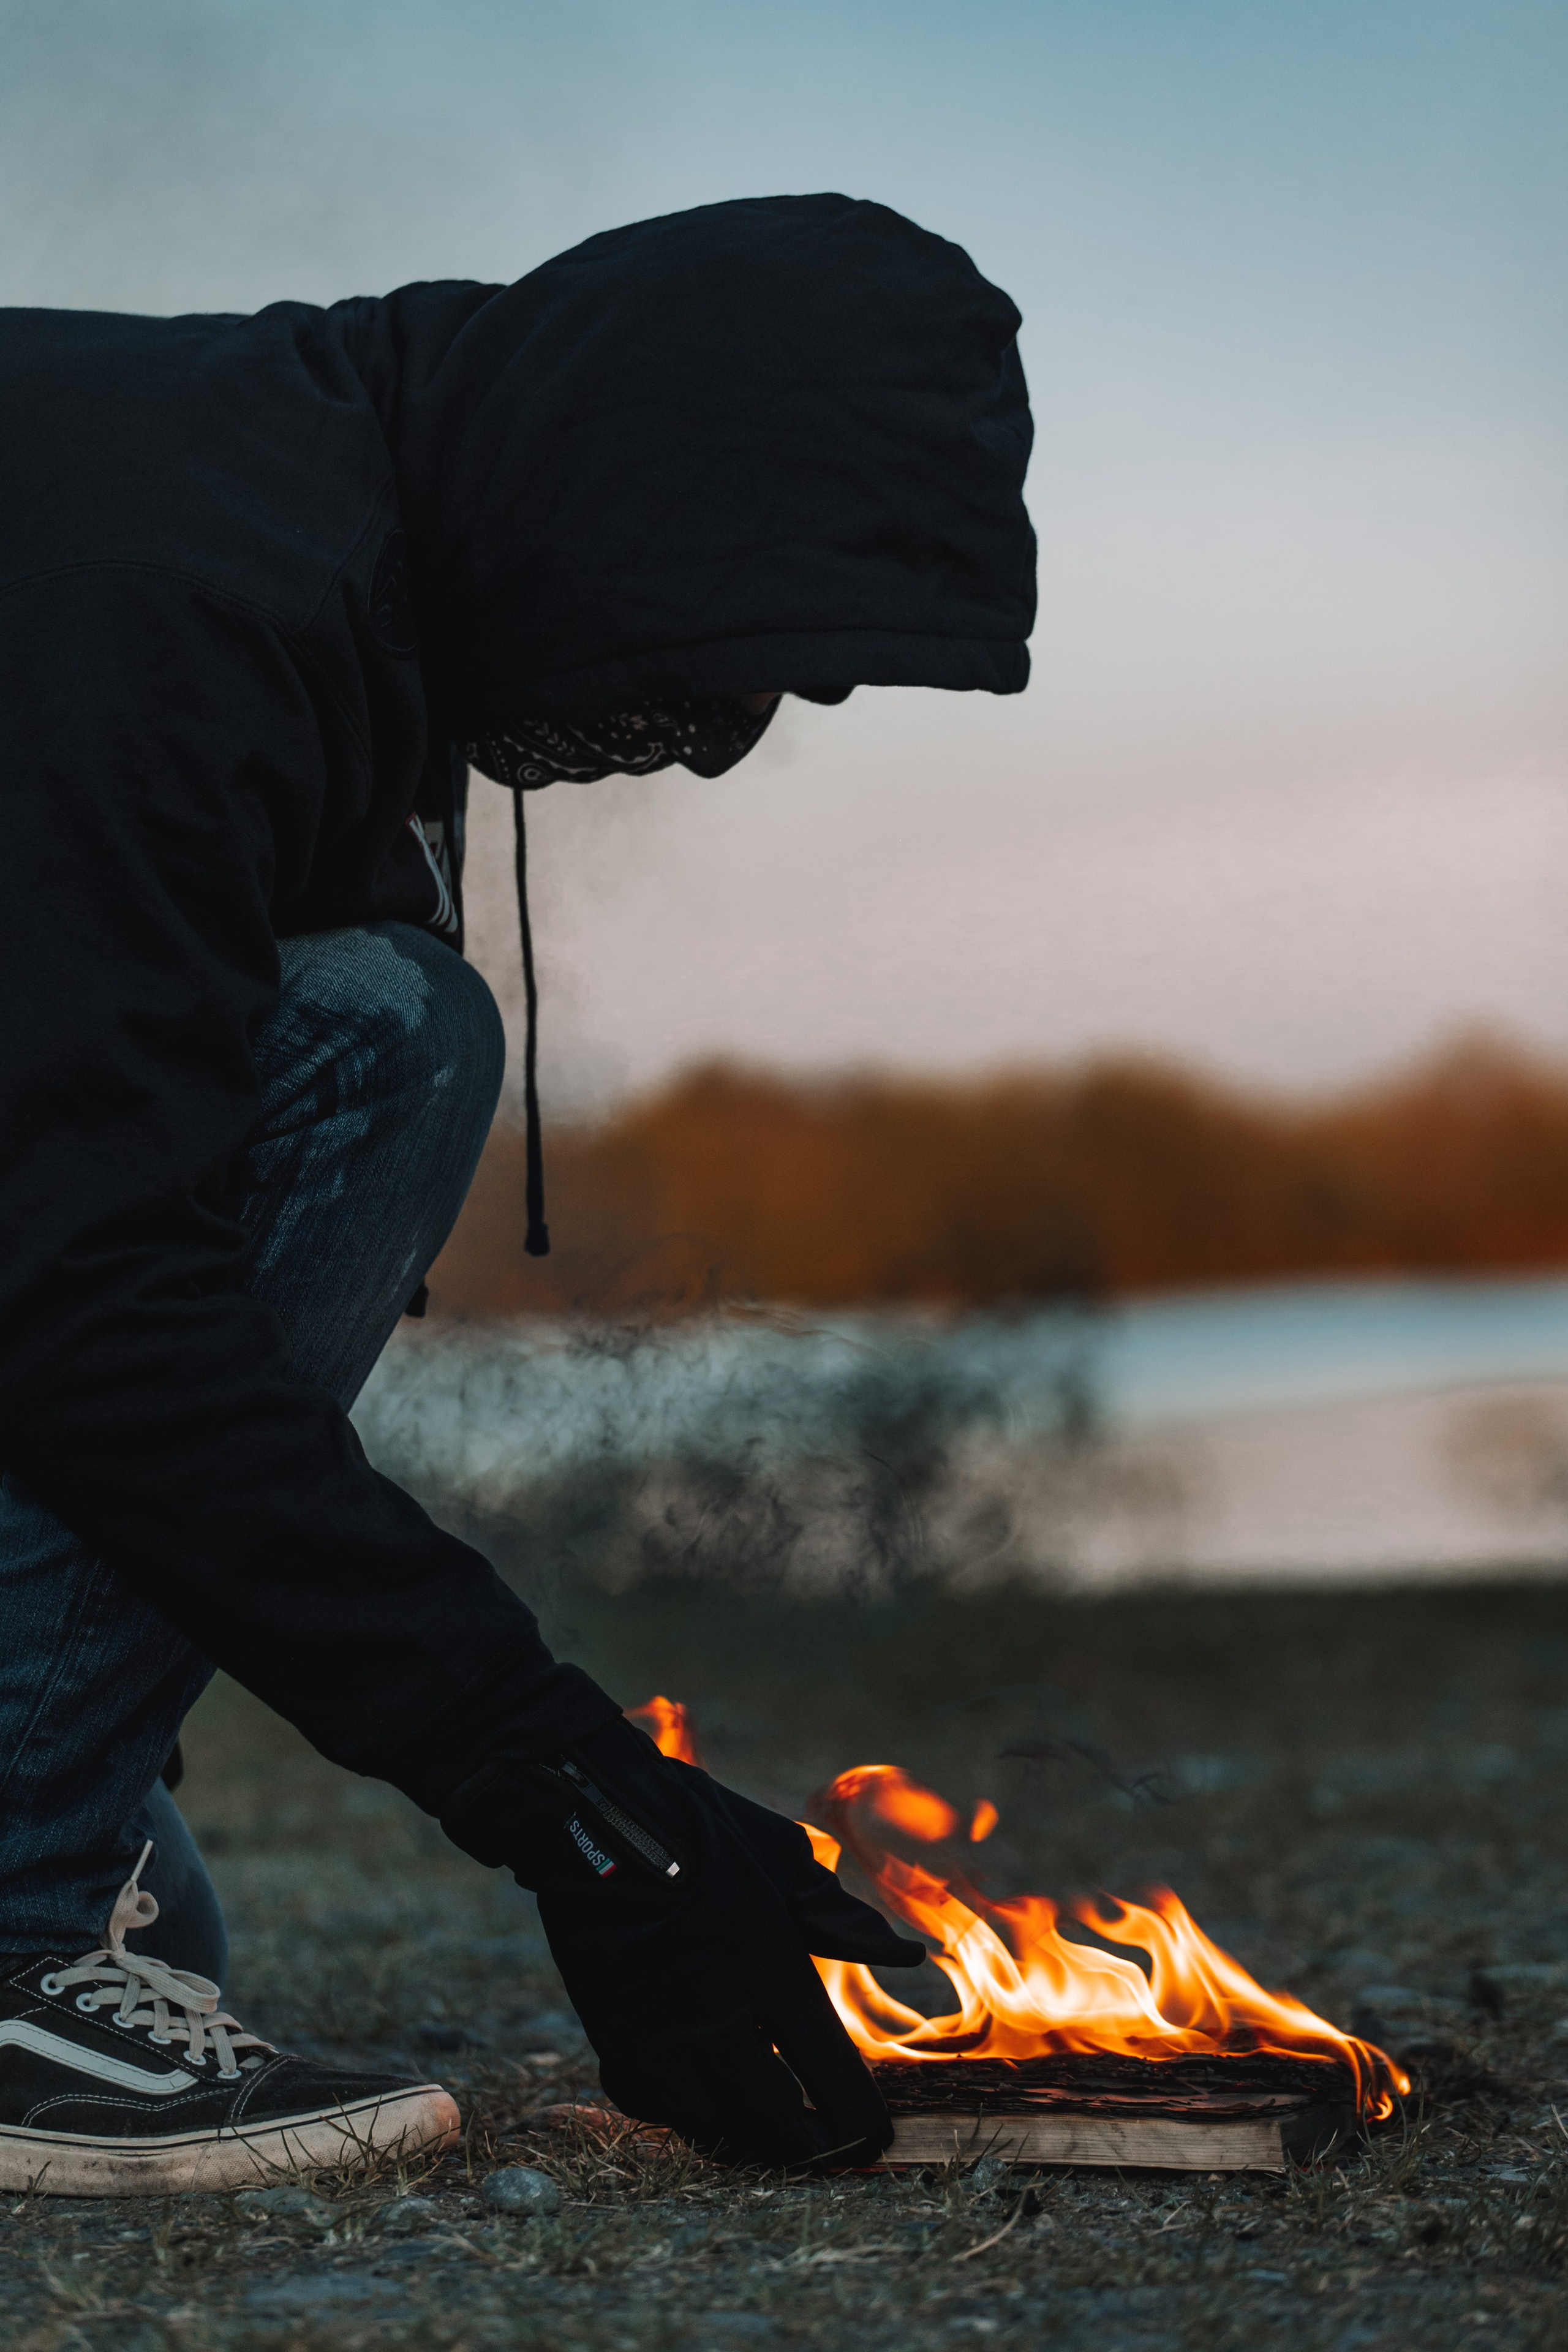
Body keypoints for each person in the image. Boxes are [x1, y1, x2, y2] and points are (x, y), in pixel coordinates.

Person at [0, 193, 1035, 2193]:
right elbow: (84, 1292)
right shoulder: (168, 583)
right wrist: (570, 1795)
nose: (729, 735)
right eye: (753, 629)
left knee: (162, 1938)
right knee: (384, 1036)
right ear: (635, 484)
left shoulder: (336, 538)